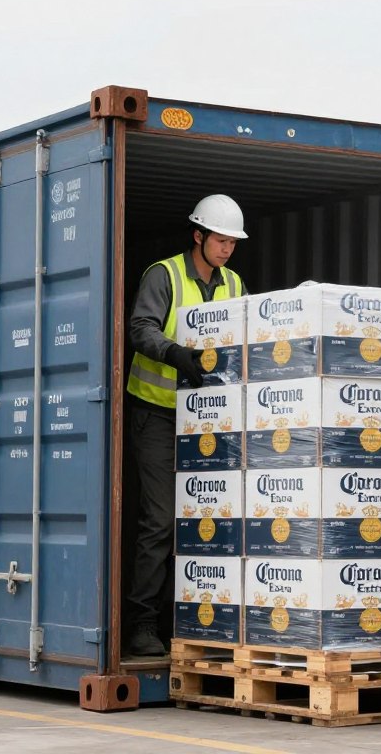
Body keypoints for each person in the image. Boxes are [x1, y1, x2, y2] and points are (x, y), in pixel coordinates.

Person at [125, 194, 248, 656]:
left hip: (210, 421)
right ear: (198, 236)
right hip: (157, 413)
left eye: (232, 242)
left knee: (209, 520)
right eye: (220, 240)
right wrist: (175, 354)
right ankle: (142, 624)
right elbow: (141, 328)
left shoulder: (235, 284)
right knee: (159, 521)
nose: (227, 249)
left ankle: (204, 622)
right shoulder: (165, 274)